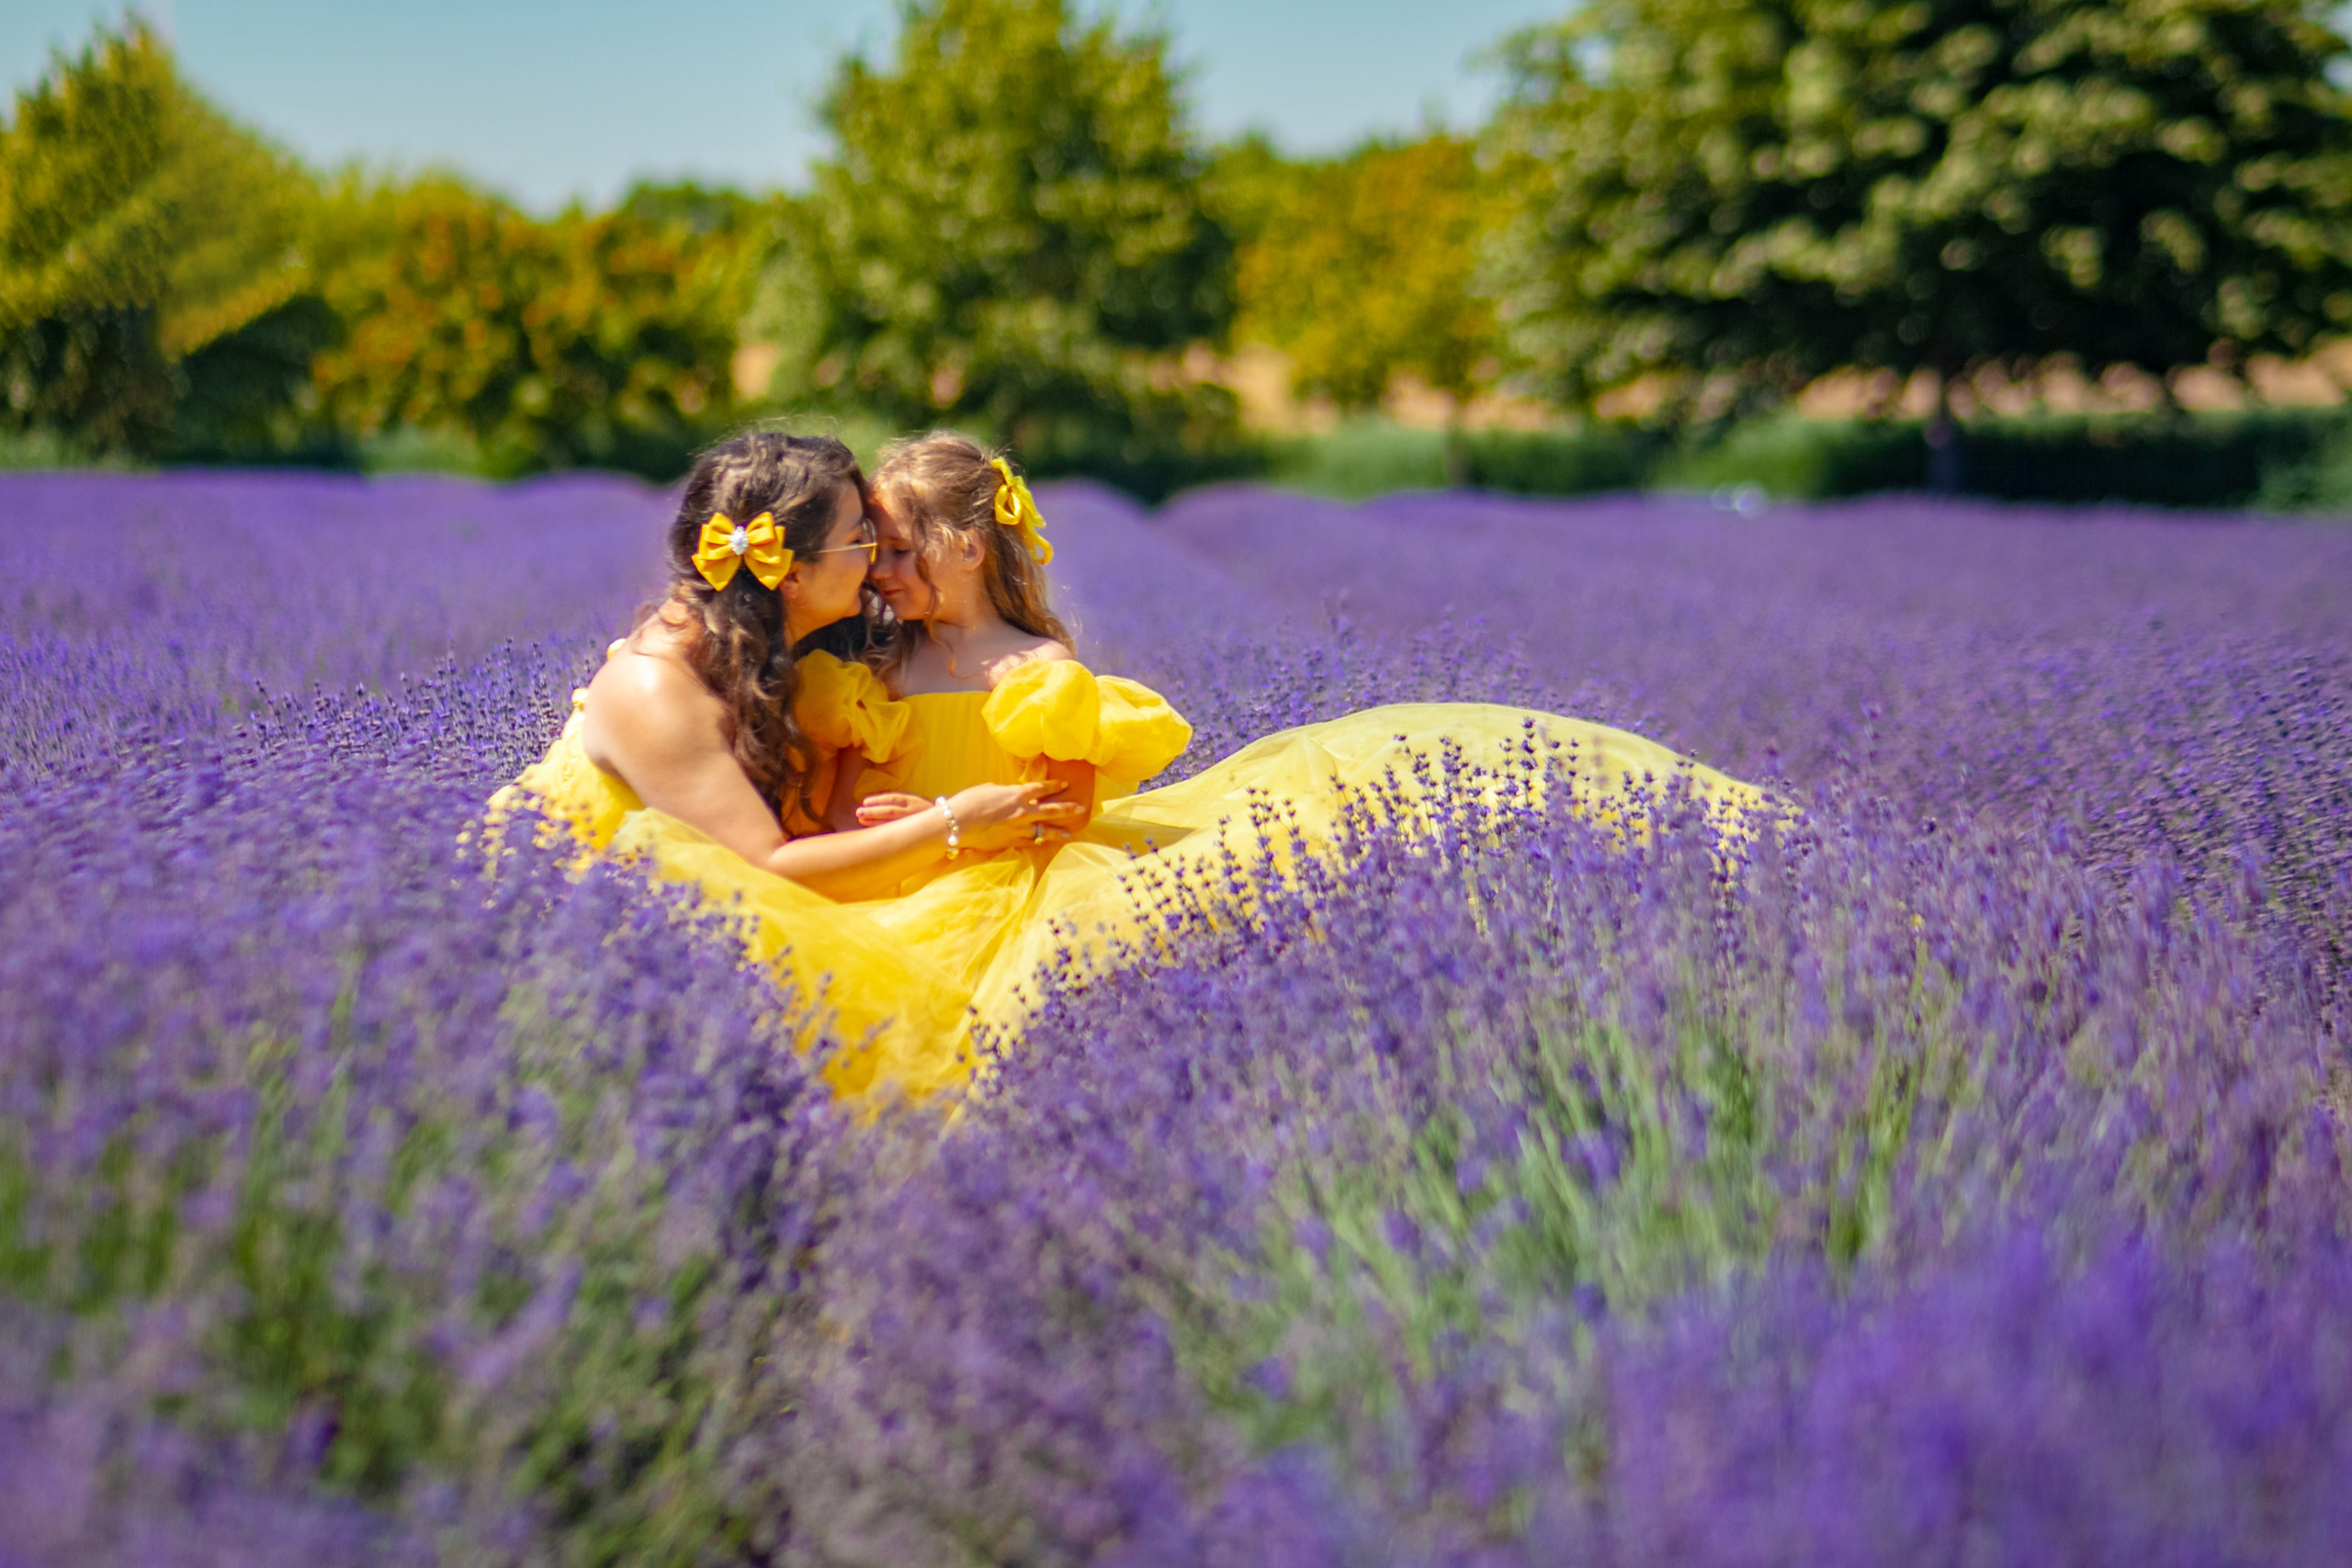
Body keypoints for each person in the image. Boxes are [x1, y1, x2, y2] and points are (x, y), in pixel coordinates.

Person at [841, 432, 1774, 1042]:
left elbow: (1068, 811)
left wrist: (945, 818)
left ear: (964, 545)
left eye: (893, 547)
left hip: (1021, 886)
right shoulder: (877, 666)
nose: (878, 571)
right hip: (906, 881)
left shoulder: (1037, 666)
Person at [485, 433, 1082, 1095]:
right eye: (861, 541)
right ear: (790, 576)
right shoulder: (656, 689)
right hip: (555, 957)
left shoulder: (767, 651)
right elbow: (763, 868)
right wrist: (952, 822)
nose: (876, 565)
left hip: (676, 937)